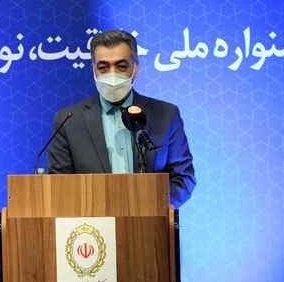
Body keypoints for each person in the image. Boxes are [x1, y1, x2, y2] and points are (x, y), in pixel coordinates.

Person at [46, 29, 196, 208]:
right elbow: (59, 186)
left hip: (150, 222)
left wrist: (153, 205)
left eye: (121, 66)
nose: (112, 74)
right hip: (92, 223)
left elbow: (183, 177)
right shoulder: (68, 121)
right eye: (103, 67)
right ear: (93, 69)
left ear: (136, 67)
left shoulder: (166, 115)